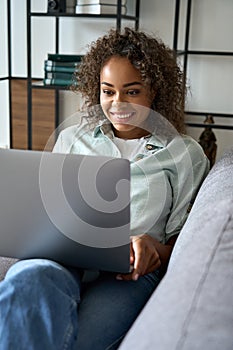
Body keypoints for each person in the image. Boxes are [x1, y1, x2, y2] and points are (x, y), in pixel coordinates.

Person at [0, 27, 209, 350]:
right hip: (63, 257)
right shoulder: (72, 140)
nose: (118, 103)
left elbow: (183, 243)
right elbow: (47, 213)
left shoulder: (184, 154)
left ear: (156, 91)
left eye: (133, 91)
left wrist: (153, 249)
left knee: (78, 340)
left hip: (127, 275)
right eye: (107, 91)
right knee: (25, 281)